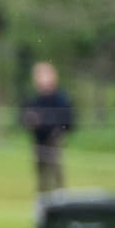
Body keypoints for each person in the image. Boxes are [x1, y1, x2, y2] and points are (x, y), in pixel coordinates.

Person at [21, 60, 76, 194]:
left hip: (55, 140)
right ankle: (43, 202)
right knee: (42, 176)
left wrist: (57, 131)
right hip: (39, 141)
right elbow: (24, 118)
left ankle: (61, 201)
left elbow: (68, 120)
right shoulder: (33, 99)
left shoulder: (61, 99)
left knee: (56, 172)